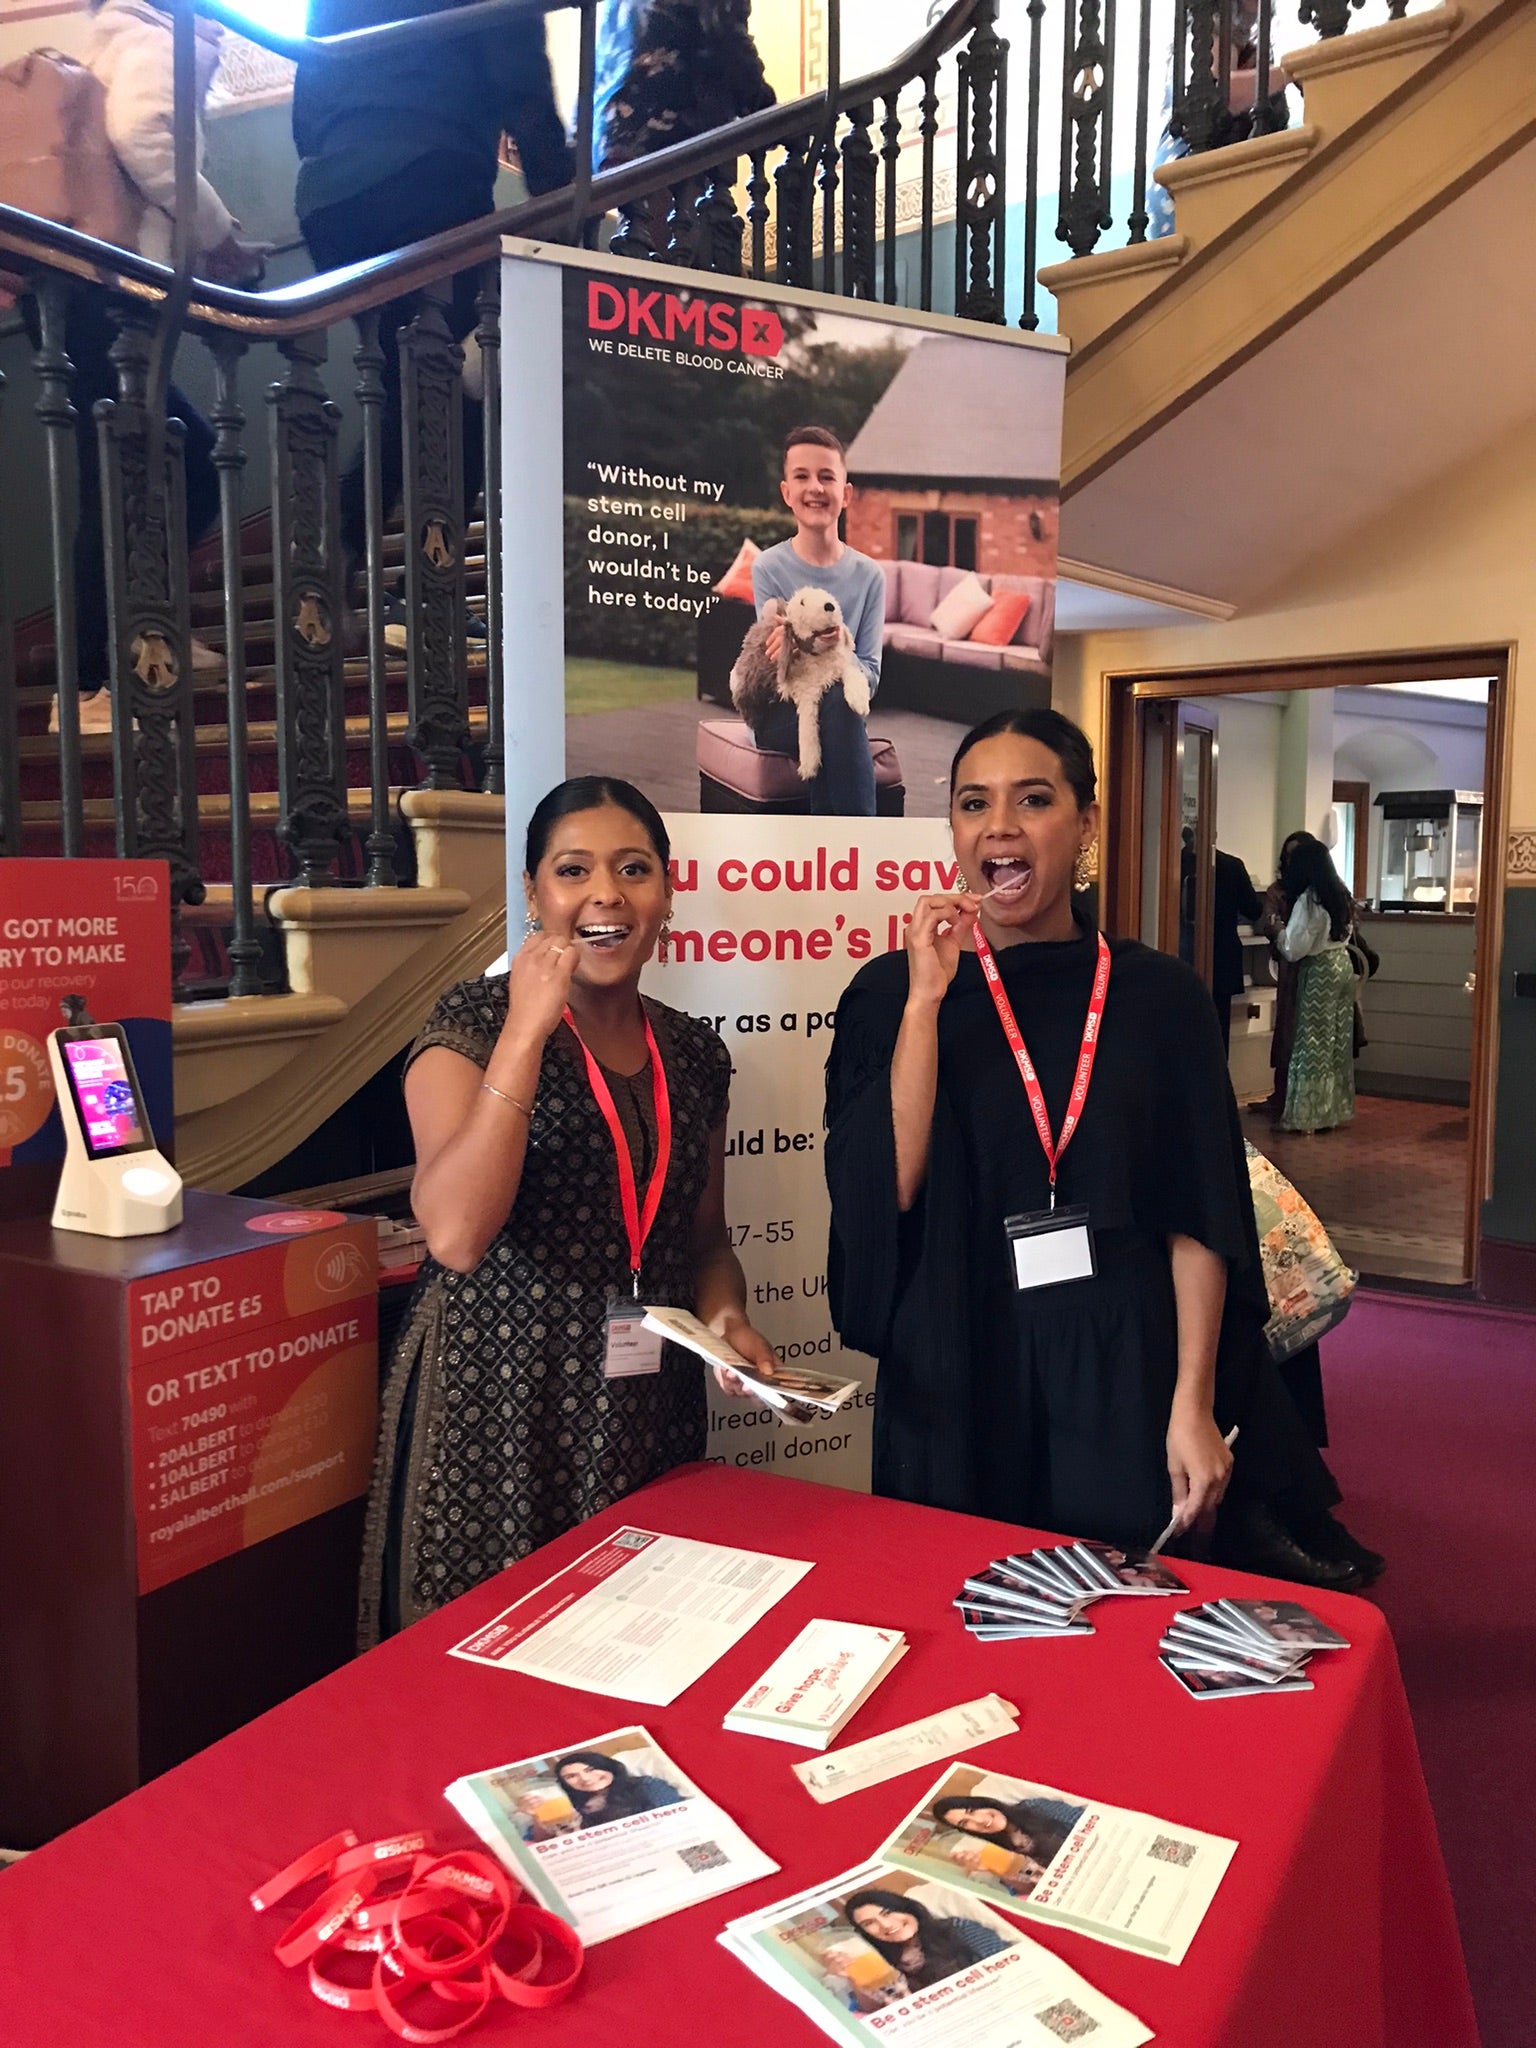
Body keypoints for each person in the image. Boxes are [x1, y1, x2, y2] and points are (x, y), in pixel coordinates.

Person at [823, 707, 1372, 1588]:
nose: (998, 826)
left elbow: (1200, 1214)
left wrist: (1192, 1403)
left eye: (1032, 800)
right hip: (959, 1346)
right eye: (973, 804)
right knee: (956, 1602)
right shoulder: (891, 994)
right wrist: (926, 1004)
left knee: (1117, 1614)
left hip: (1120, 1355)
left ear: (1084, 825)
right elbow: (882, 1189)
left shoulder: (1160, 997)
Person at [358, 774, 779, 1643]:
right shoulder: (471, 1023)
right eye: (573, 871)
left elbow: (705, 1244)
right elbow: (456, 1234)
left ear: (666, 891)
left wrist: (726, 1311)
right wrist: (525, 1030)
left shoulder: (696, 1055)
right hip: (501, 1411)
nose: (604, 896)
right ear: (533, 893)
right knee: (479, 1677)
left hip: (645, 1410)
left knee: (640, 1656)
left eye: (632, 869)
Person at [292, 0, 573, 637]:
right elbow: (519, 76)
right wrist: (563, 203)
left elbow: (306, 113)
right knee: (464, 382)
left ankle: (335, 555)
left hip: (329, 200)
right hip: (424, 179)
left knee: (411, 389)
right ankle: (428, 589)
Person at [27, 0, 266, 734]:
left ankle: (147, 632)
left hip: (79, 289)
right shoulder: (162, 41)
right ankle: (93, 684)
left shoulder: (111, 44)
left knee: (186, 456)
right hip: (110, 290)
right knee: (119, 483)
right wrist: (220, 235)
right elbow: (145, 136)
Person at [747, 426, 885, 816]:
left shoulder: (870, 576)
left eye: (827, 477)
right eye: (802, 477)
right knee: (841, 711)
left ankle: (831, 861)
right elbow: (777, 672)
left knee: (841, 707)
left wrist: (837, 646)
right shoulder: (769, 567)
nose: (815, 488)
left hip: (842, 705)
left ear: (846, 493)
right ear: (786, 492)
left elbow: (870, 677)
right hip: (782, 715)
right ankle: (859, 858)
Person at [595, 0, 773, 174]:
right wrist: (764, 109)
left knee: (635, 198)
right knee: (681, 199)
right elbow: (728, 45)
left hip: (607, 126)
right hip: (671, 122)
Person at [1275, 832, 1358, 1134]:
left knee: (1311, 1041)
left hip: (1320, 969)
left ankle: (1306, 1115)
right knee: (1337, 1040)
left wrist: (1278, 932)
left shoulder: (1309, 899)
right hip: (1342, 966)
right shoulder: (1340, 893)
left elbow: (1295, 947)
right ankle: (1333, 1109)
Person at [840, 1890, 1010, 1994]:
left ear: (906, 1908)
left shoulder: (957, 1928)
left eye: (887, 1912)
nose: (885, 1924)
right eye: (869, 1924)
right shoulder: (882, 1964)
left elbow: (1007, 1966)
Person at [928, 1794, 1080, 1892]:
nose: (980, 1820)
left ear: (983, 1803)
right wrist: (995, 1870)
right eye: (965, 1823)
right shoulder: (995, 1852)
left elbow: (1089, 1822)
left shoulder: (1035, 1808)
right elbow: (1028, 1888)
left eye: (972, 1810)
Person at [1212, 845, 1263, 1052]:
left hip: (1184, 952)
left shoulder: (1176, 861)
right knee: (1220, 1026)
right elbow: (1253, 909)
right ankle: (1220, 1080)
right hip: (1223, 954)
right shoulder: (1232, 866)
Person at [552, 1748, 682, 1825]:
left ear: (607, 1767)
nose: (585, 1779)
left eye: (590, 1769)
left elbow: (676, 1820)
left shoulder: (647, 1785)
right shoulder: (576, 1806)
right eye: (571, 1776)